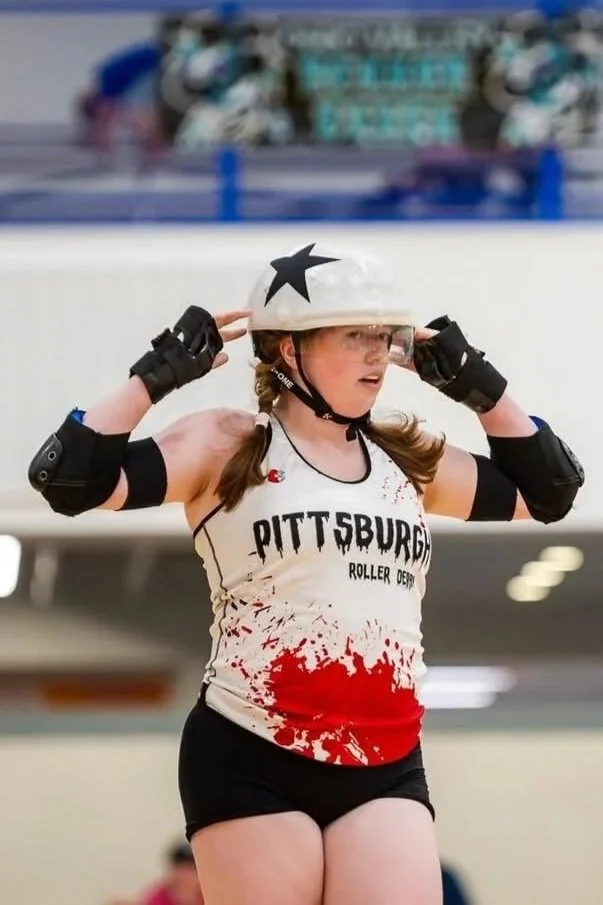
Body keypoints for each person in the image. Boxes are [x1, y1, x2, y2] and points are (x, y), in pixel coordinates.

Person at [28, 242, 584, 905]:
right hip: (252, 748)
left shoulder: (404, 454)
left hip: (385, 756)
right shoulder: (231, 444)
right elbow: (66, 479)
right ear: (289, 349)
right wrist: (153, 378)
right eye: (356, 336)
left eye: (382, 336)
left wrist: (481, 389)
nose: (378, 354)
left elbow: (550, 491)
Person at [109, 840, 204, 905]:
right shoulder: (161, 894)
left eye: (190, 868)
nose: (183, 874)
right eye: (179, 866)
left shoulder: (211, 893)